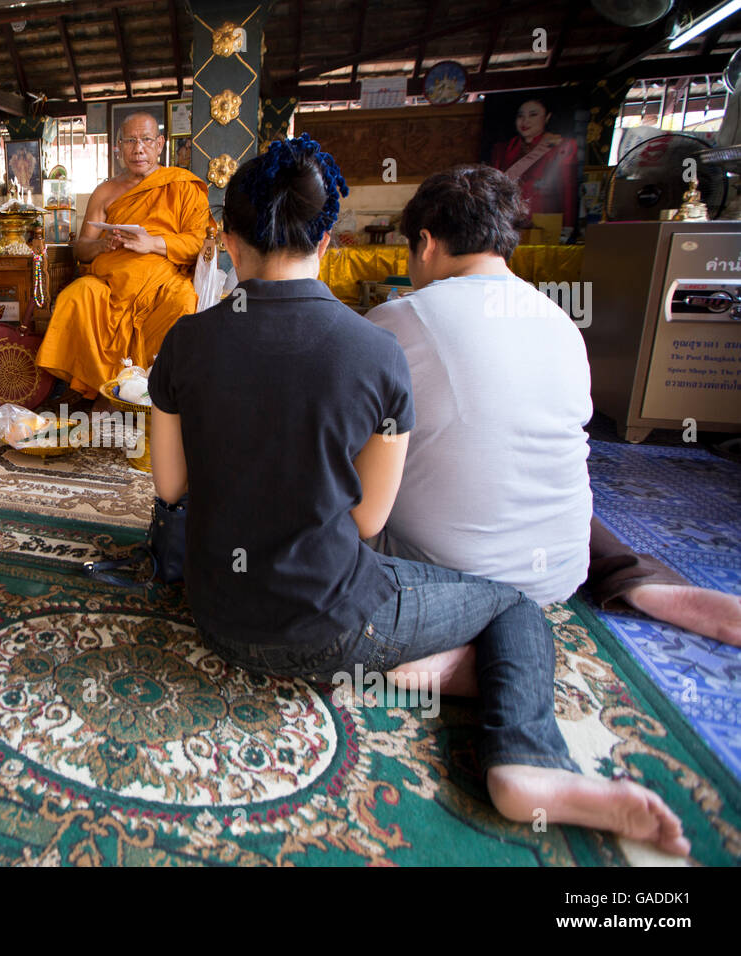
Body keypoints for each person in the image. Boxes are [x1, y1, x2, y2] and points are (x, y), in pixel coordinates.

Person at [146, 134, 689, 855]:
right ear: (328, 239)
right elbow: (368, 519)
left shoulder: (184, 341)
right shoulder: (376, 349)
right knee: (514, 604)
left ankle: (427, 672)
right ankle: (525, 759)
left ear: (225, 241)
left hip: (214, 614)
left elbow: (171, 487)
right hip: (329, 625)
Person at [365, 164, 741, 665]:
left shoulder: (399, 318)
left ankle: (456, 651)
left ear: (427, 243)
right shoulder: (559, 321)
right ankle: (637, 577)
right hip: (561, 570)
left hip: (445, 577)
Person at [35, 112, 212, 399]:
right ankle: (102, 393)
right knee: (76, 296)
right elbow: (82, 248)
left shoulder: (181, 185)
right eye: (130, 140)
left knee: (182, 303)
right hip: (111, 284)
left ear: (160, 144)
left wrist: (152, 243)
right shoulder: (106, 191)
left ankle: (157, 397)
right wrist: (102, 246)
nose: (138, 148)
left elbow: (199, 243)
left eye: (145, 140)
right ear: (118, 146)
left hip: (162, 285)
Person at [488, 96, 579, 229]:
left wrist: (568, 226)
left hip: (544, 219)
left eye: (533, 115)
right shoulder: (501, 149)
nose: (525, 121)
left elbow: (569, 190)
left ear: (547, 117)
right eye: (520, 116)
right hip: (508, 222)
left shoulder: (562, 146)